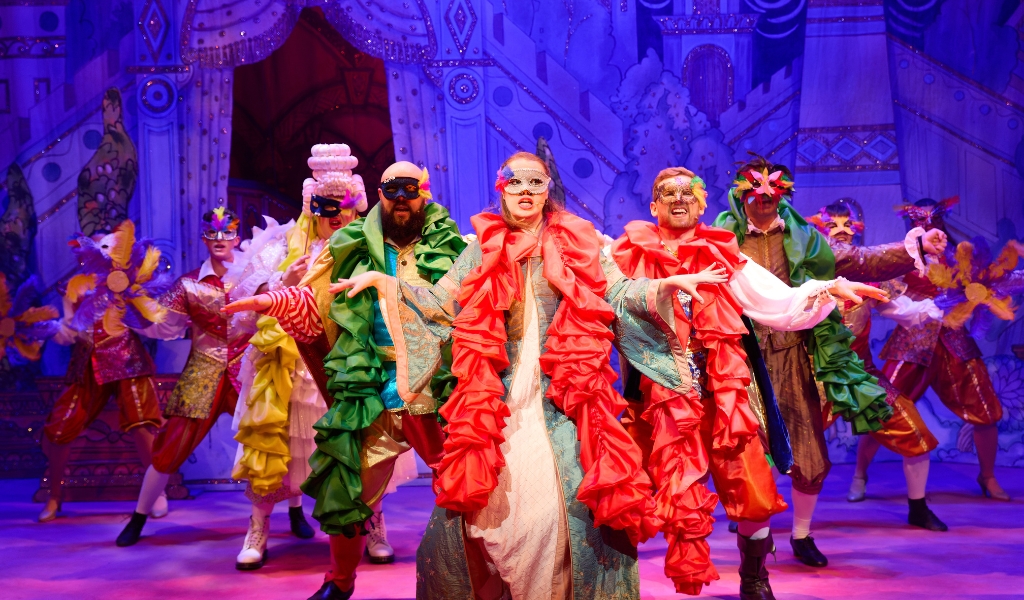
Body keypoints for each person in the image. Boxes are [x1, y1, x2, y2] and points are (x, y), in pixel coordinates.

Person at [330, 152, 747, 599]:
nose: (525, 191)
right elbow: (441, 303)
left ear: (548, 189)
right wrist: (386, 283)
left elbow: (619, 290)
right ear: (502, 188)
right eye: (516, 182)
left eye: (535, 182)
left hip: (564, 398)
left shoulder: (578, 241)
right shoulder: (483, 246)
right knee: (487, 518)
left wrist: (661, 286)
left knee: (556, 514)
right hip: (500, 401)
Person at [612, 168, 889, 599]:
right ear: (653, 206)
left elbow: (776, 298)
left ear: (703, 206)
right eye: (667, 193)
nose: (679, 199)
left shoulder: (723, 256)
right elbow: (596, 287)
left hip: (724, 400)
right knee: (632, 495)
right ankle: (615, 585)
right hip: (658, 402)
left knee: (753, 491)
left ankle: (755, 579)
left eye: (689, 193)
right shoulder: (626, 255)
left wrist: (830, 287)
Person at [224, 162, 465, 600]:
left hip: (435, 388)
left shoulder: (453, 247)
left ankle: (477, 582)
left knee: (469, 483)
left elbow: (458, 303)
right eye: (392, 190)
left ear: (424, 194)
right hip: (372, 388)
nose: (401, 199)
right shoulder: (351, 247)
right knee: (347, 485)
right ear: (379, 194)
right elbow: (318, 304)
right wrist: (275, 300)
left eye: (410, 189)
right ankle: (339, 583)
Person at [712, 157, 947, 568]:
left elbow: (861, 260)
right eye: (756, 193)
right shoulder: (719, 240)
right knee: (742, 450)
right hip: (738, 359)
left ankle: (801, 535)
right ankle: (754, 542)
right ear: (741, 195)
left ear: (783, 196)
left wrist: (916, 247)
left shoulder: (808, 241)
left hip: (796, 357)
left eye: (773, 194)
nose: (764, 202)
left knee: (809, 452)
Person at [230, 144, 368, 570]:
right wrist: (279, 282)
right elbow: (239, 301)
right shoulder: (282, 245)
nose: (337, 216)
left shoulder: (369, 246)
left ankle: (371, 522)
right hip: (291, 364)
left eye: (345, 206)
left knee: (362, 445)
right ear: (312, 206)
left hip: (350, 360)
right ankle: (258, 526)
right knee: (278, 446)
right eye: (328, 206)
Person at [116, 207, 259, 546]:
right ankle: (138, 517)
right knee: (170, 446)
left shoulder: (255, 277)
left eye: (227, 233)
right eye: (213, 234)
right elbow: (165, 325)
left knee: (273, 440)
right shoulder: (190, 283)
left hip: (250, 371)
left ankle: (292, 512)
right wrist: (130, 308)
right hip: (202, 373)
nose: (220, 240)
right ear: (204, 239)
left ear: (237, 238)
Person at [808, 200, 948, 531]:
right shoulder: (805, 273)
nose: (840, 233)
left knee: (915, 432)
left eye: (847, 226)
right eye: (833, 226)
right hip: (813, 373)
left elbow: (900, 308)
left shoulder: (870, 273)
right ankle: (755, 511)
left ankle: (918, 507)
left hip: (859, 372)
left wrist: (939, 309)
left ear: (858, 230)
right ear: (818, 230)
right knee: (780, 442)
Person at [877, 198, 1010, 501]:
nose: (928, 227)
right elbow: (887, 295)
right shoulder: (901, 257)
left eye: (933, 222)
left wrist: (977, 296)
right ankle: (860, 475)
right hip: (912, 341)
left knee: (985, 410)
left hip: (954, 340)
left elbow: (986, 286)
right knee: (881, 407)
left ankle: (987, 476)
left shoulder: (961, 258)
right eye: (920, 222)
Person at [40, 220, 168, 523]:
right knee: (59, 430)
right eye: (95, 246)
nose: (101, 251)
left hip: (126, 360)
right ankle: (54, 498)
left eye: (108, 246)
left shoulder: (128, 281)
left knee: (141, 425)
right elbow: (69, 325)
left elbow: (149, 323)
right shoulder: (76, 285)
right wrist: (61, 330)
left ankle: (157, 494)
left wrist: (134, 300)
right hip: (88, 363)